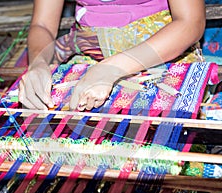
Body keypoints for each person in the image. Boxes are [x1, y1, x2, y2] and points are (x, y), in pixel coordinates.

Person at [18, 0, 205, 111]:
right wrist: (38, 63)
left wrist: (112, 69)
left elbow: (189, 24)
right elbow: (42, 25)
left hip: (161, 54)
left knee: (157, 134)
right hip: (90, 54)